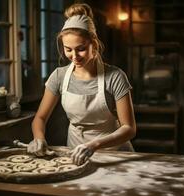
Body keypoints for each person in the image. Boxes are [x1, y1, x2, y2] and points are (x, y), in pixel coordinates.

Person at [27, 3, 136, 165]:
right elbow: (40, 118)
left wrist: (94, 145)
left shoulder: (115, 77)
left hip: (115, 154)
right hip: (76, 153)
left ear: (94, 45)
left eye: (81, 49)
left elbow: (129, 128)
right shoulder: (59, 76)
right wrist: (39, 139)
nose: (74, 56)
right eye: (68, 49)